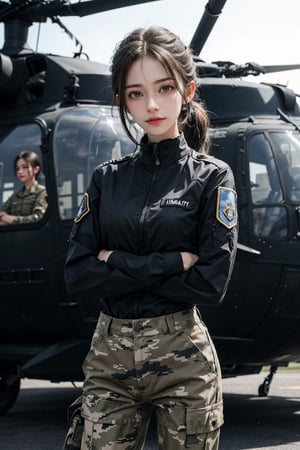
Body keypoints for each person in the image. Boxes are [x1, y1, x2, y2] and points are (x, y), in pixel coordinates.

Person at [64, 26, 238, 450]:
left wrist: (114, 259)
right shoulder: (107, 179)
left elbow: (210, 283)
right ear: (122, 99)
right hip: (108, 361)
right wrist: (170, 262)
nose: (153, 105)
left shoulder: (212, 177)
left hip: (184, 361)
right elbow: (79, 275)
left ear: (188, 90)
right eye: (136, 93)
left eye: (164, 88)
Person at [0, 151, 47, 225]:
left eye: (25, 167)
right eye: (17, 168)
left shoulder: (42, 192)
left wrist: (8, 219)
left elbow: (38, 219)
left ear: (36, 169)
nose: (20, 171)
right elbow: (1, 213)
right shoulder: (15, 196)